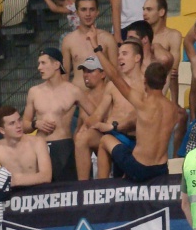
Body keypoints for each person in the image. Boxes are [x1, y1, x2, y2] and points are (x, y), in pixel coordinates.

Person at [92, 37, 184, 182]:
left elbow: (114, 76)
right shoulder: (173, 109)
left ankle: (101, 188)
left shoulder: (142, 102)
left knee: (104, 140)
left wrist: (97, 49)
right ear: (164, 82)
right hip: (161, 169)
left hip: (139, 168)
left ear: (145, 81)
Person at [21, 47, 96, 182]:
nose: (39, 67)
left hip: (63, 147)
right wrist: (35, 124)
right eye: (39, 63)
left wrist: (84, 127)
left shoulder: (73, 91)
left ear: (56, 65)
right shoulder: (34, 92)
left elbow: (96, 115)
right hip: (40, 146)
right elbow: (24, 125)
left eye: (43, 63)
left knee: (67, 188)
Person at [77, 43, 142, 180]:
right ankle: (84, 186)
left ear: (137, 58)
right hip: (114, 134)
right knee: (82, 138)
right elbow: (98, 114)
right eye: (118, 54)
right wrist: (87, 125)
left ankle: (103, 183)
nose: (119, 57)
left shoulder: (146, 85)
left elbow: (141, 116)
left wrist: (113, 126)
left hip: (137, 138)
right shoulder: (112, 85)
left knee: (105, 140)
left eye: (124, 54)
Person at [0, 106, 52, 187]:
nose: (18, 125)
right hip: (11, 192)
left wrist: (15, 180)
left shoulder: (37, 142)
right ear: (2, 130)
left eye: (19, 120)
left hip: (36, 190)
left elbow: (46, 176)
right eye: (12, 123)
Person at [60, 0, 118, 87]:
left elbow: (116, 74)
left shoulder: (108, 39)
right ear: (77, 12)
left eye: (92, 9)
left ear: (97, 12)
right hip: (78, 93)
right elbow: (65, 75)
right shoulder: (68, 40)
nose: (88, 14)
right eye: (83, 10)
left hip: (103, 93)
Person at [72, 56, 111, 180]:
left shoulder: (110, 92)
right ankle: (83, 185)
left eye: (90, 71)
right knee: (80, 137)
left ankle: (84, 185)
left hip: (109, 138)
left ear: (103, 74)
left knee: (83, 137)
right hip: (88, 145)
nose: (85, 75)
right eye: (84, 71)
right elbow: (79, 125)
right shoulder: (83, 96)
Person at [142, 0, 183, 99]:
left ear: (161, 12)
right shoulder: (140, 36)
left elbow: (173, 73)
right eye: (143, 9)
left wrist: (174, 102)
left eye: (149, 9)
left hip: (161, 92)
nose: (144, 13)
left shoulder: (173, 36)